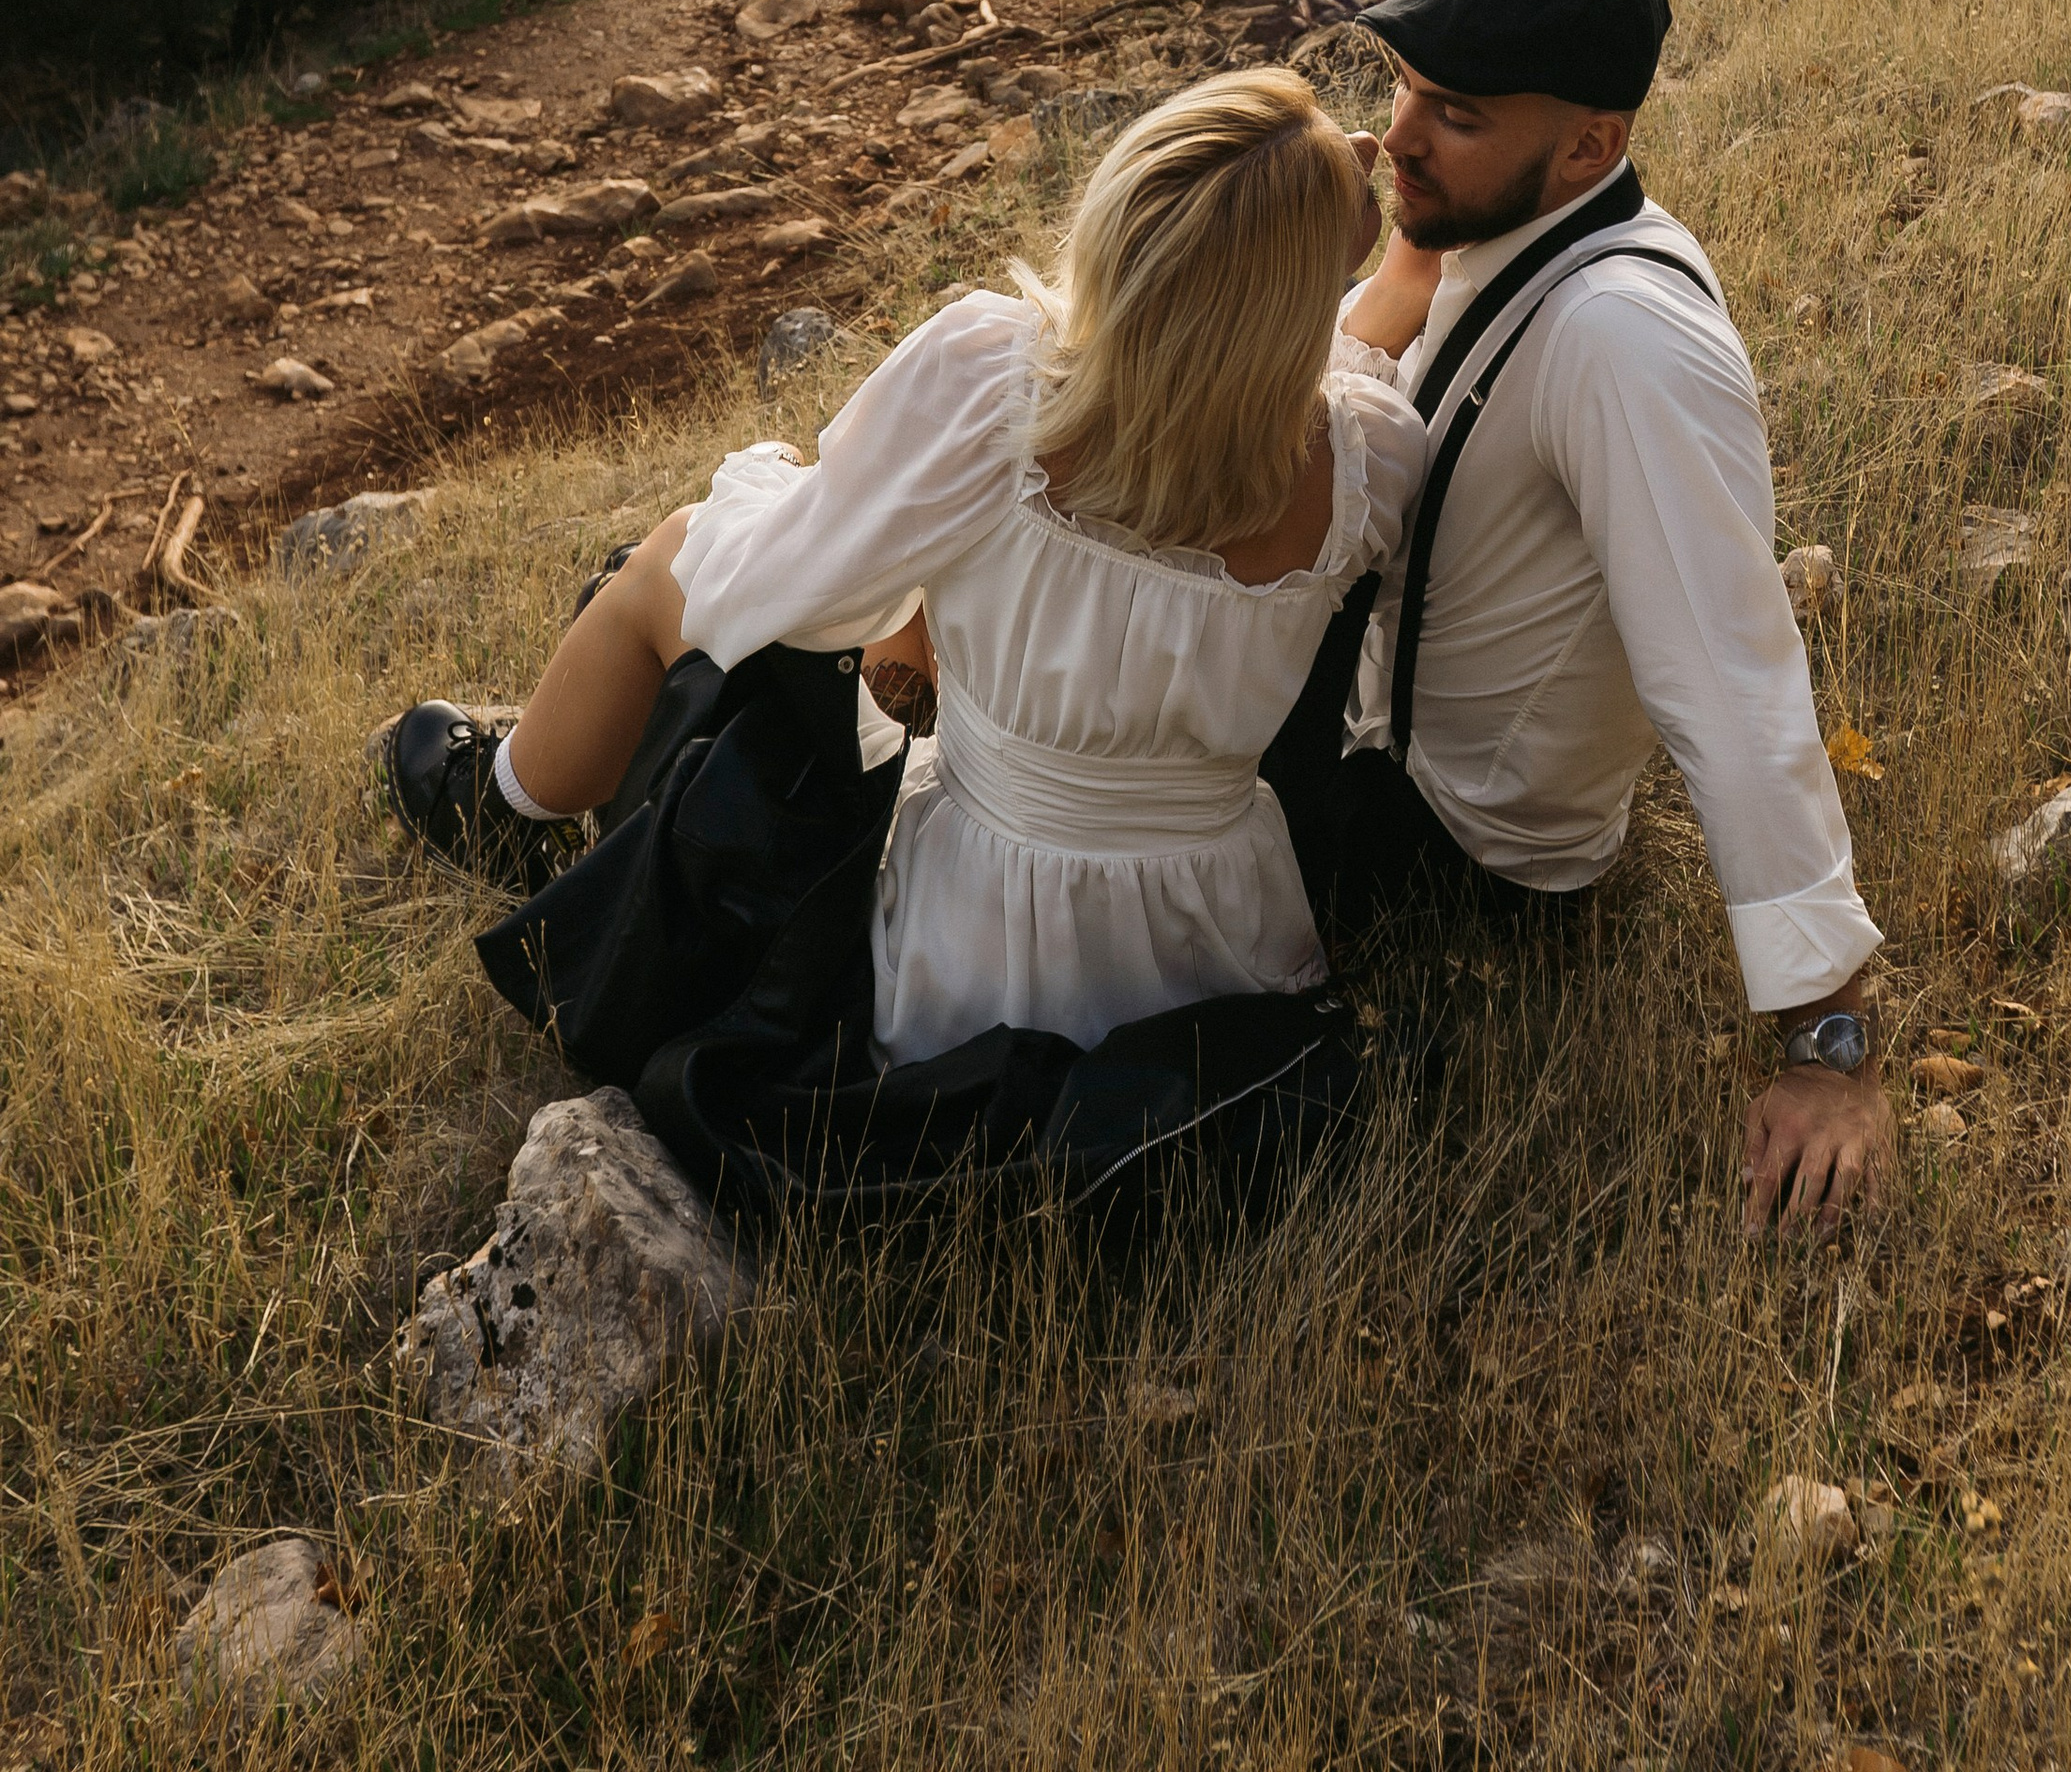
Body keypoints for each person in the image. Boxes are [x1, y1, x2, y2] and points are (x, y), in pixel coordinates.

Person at [385, 72, 1427, 1065]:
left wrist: (765, 483)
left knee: (680, 552)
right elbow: (1292, 378)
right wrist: (1366, 244)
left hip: (969, 950)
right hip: (1219, 940)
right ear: (1300, 299)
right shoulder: (1367, 463)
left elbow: (779, 591)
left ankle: (506, 803)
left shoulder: (996, 380)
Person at [1261, 0, 1891, 1233]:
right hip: (1368, 745)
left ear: (1589, 148)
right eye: (1406, 92)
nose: (1398, 138)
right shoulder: (1495, 230)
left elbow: (1730, 675)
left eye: (1460, 115)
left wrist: (1827, 1045)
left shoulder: (1623, 343)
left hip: (1447, 848)